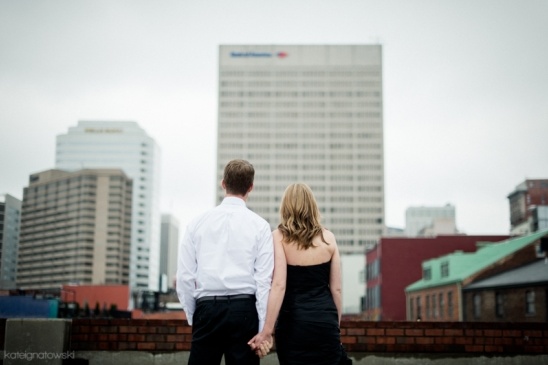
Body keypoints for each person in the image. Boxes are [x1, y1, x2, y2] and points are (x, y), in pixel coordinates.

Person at [176, 159, 274, 365]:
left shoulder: (196, 223)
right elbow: (263, 281)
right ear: (251, 187)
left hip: (207, 308)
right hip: (244, 310)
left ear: (223, 183)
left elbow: (185, 277)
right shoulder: (261, 226)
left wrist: (194, 316)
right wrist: (263, 327)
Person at [248, 182, 344, 364]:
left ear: (286, 206)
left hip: (293, 323)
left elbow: (279, 285)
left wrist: (267, 331)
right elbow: (337, 290)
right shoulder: (329, 238)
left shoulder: (279, 237)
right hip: (325, 322)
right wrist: (334, 325)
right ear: (312, 206)